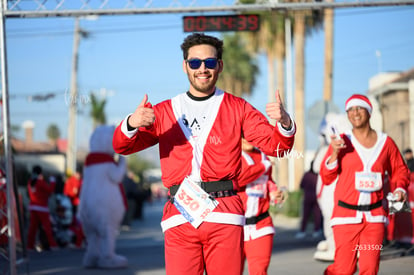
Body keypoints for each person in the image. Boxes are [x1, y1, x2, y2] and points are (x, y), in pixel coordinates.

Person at [112, 33, 296, 275]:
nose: (202, 68)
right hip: (180, 214)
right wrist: (131, 123)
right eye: (194, 62)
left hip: (225, 215)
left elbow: (278, 147)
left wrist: (284, 123)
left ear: (219, 65)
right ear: (185, 66)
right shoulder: (165, 111)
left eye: (209, 62)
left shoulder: (238, 107)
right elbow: (122, 146)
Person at [320, 94, 410, 275]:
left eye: (359, 108)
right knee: (345, 269)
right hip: (346, 216)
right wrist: (335, 154)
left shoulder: (386, 143)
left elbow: (400, 170)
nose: (355, 113)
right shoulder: (341, 142)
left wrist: (399, 188)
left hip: (374, 218)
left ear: (369, 112)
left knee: (370, 269)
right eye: (351, 110)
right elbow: (326, 177)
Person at [238, 138, 284, 275]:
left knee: (259, 271)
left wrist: (275, 195)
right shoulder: (231, 155)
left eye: (251, 135)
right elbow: (239, 178)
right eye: (244, 135)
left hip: (261, 224)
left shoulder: (263, 156)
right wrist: (264, 165)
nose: (248, 140)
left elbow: (269, 182)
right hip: (236, 227)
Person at [26, 165, 59, 251]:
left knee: (32, 228)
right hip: (42, 207)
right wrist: (52, 180)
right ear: (40, 173)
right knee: (47, 227)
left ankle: (29, 246)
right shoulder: (40, 182)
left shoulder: (30, 182)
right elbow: (50, 190)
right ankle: (53, 245)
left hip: (33, 207)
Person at [296, 160, 322, 239]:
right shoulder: (319, 176)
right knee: (317, 215)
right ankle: (316, 231)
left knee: (305, 215)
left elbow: (301, 185)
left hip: (307, 197)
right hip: (317, 198)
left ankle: (302, 231)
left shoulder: (306, 175)